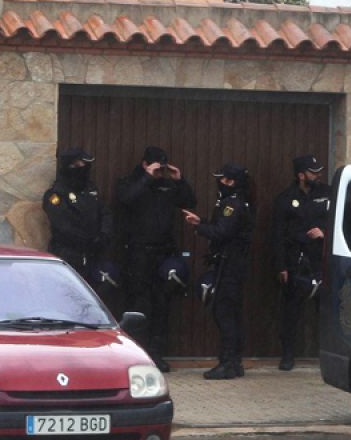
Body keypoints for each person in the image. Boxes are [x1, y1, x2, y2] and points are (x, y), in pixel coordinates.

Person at [114, 146, 195, 372]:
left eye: (162, 168)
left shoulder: (168, 186)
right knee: (139, 307)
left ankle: (157, 355)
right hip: (138, 254)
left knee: (161, 306)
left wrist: (180, 181)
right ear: (145, 164)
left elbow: (190, 201)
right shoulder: (130, 183)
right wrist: (147, 178)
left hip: (163, 253)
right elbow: (125, 200)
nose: (160, 172)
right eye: (156, 167)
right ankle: (138, 356)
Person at [187, 163, 254, 380]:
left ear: (232, 182)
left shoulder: (232, 205)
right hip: (232, 265)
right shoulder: (235, 202)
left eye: (225, 179)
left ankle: (228, 363)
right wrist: (203, 222)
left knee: (224, 313)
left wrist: (201, 228)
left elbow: (223, 232)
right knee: (230, 313)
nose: (221, 183)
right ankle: (234, 362)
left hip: (230, 266)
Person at [271, 154, 332, 371]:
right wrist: (281, 266)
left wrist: (325, 233)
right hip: (296, 261)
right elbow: (277, 235)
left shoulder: (328, 194)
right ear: (301, 175)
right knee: (291, 313)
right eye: (313, 171)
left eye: (319, 171)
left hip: (322, 261)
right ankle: (288, 355)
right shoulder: (285, 198)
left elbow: (340, 221)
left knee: (325, 312)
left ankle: (328, 357)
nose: (318, 174)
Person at [43, 147, 112, 289]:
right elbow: (63, 225)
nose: (84, 169)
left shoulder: (90, 190)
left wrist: (103, 235)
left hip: (93, 256)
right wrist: (88, 240)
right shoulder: (56, 195)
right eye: (79, 165)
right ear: (70, 166)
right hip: (68, 255)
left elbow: (105, 213)